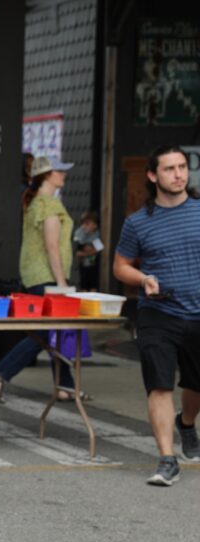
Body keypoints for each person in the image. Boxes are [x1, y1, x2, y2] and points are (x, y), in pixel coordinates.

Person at [113, 145, 200, 486]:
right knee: (159, 386)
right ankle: (167, 459)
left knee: (195, 385)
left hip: (197, 314)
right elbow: (121, 266)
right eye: (170, 169)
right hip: (157, 313)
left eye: (182, 167)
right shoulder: (137, 223)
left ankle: (187, 423)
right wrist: (143, 279)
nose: (179, 174)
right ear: (153, 176)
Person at [0, 155, 79, 403]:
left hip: (36, 276)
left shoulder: (35, 202)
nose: (64, 174)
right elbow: (52, 246)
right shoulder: (48, 205)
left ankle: (65, 385)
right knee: (45, 333)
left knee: (53, 330)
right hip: (47, 277)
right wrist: (61, 284)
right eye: (59, 170)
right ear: (47, 175)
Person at [74, 210, 102, 292]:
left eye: (87, 224)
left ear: (95, 225)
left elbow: (98, 249)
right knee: (83, 284)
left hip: (93, 265)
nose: (84, 226)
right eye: (83, 224)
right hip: (83, 266)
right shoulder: (80, 235)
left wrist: (85, 254)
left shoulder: (96, 236)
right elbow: (78, 252)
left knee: (93, 283)